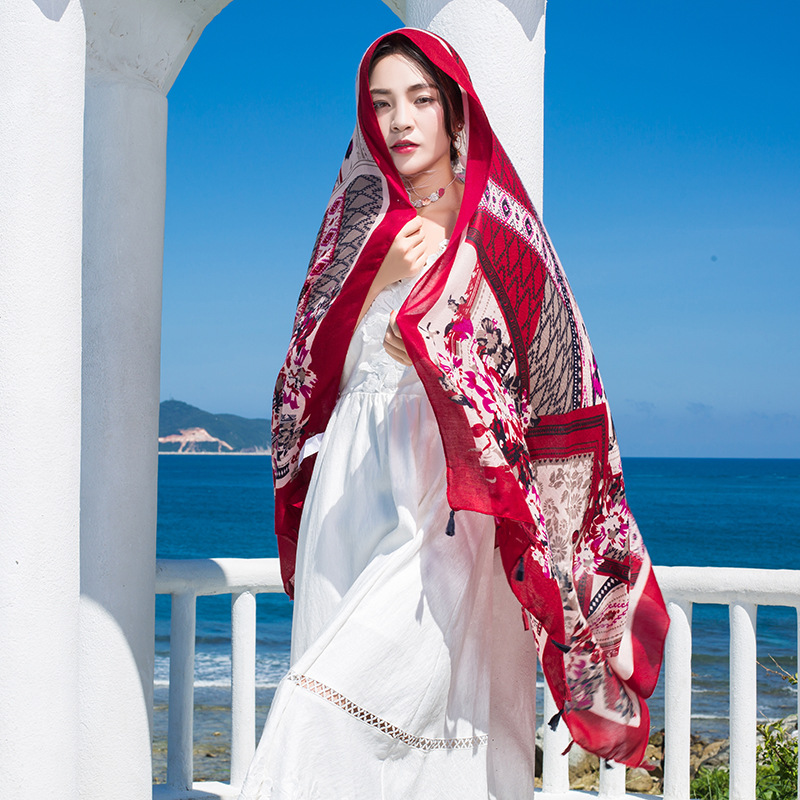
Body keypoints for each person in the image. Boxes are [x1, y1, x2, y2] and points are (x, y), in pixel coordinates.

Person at [239, 29, 669, 800]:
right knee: (350, 687)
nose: (400, 120)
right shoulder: (354, 227)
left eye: (419, 99)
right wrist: (375, 284)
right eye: (382, 104)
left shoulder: (498, 231)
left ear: (454, 111)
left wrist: (432, 349)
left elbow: (551, 370)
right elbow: (307, 367)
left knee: (352, 700)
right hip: (352, 481)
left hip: (448, 491)